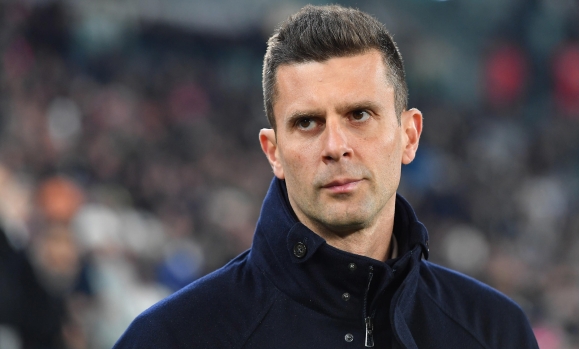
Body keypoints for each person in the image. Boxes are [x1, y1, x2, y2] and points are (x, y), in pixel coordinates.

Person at [114, 5, 539, 348]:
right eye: (307, 123)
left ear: (408, 136)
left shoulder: (495, 332)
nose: (335, 145)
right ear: (273, 151)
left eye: (359, 115)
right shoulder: (173, 337)